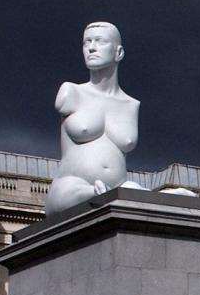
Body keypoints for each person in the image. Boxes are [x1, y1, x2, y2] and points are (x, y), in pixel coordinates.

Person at [44, 22, 142, 215]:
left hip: (118, 188)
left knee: (143, 196)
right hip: (71, 187)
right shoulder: (71, 92)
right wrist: (93, 191)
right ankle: (97, 194)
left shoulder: (131, 105)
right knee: (96, 195)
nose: (91, 47)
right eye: (86, 42)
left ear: (119, 53)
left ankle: (170, 196)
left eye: (100, 41)